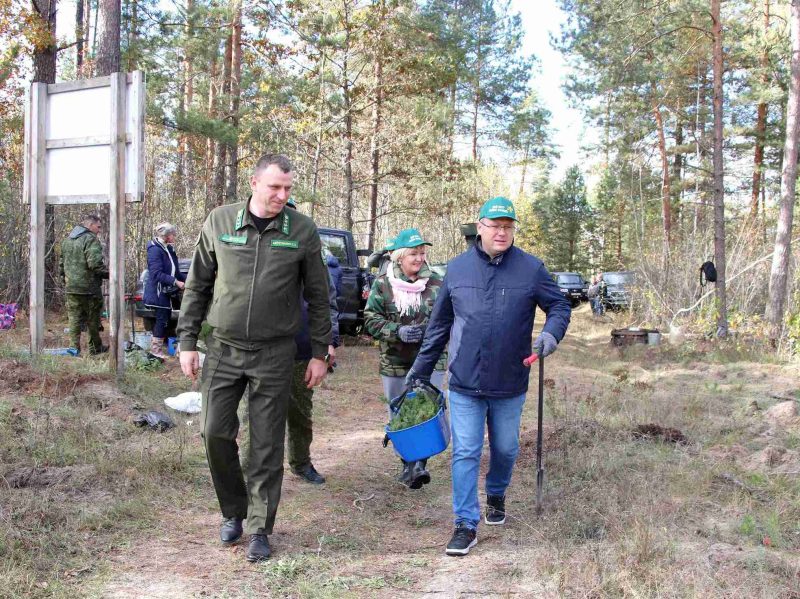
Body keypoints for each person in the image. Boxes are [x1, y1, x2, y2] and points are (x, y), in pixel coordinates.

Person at [177, 153, 332, 563]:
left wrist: (319, 352)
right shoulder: (220, 222)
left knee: (265, 443)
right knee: (213, 431)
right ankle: (233, 511)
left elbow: (319, 297)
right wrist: (187, 340)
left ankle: (261, 527)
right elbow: (197, 286)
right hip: (223, 349)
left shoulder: (300, 230)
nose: (282, 195)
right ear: (254, 183)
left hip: (274, 353)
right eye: (275, 187)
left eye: (288, 189)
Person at [406, 197, 571, 556]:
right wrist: (420, 370)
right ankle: (465, 523)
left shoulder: (531, 268)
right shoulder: (458, 269)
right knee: (465, 450)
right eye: (495, 225)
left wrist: (551, 334)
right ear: (478, 227)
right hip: (464, 380)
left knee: (506, 448)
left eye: (508, 226)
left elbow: (559, 305)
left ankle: (496, 491)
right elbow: (439, 326)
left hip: (511, 380)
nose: (501, 232)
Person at [364, 228, 447, 489]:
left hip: (431, 359)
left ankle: (421, 464)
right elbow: (370, 318)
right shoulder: (383, 283)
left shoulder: (436, 282)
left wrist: (428, 333)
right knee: (400, 411)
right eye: (414, 253)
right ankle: (407, 463)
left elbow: (447, 317)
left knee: (427, 409)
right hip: (394, 361)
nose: (419, 258)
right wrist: (396, 330)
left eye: (422, 253)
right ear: (400, 256)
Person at [286, 200, 341, 485]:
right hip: (261, 349)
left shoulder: (313, 256)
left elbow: (328, 302)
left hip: (303, 348)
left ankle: (301, 462)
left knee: (300, 412)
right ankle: (255, 470)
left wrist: (329, 343)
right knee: (256, 417)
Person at [59, 214, 109, 356]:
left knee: (74, 318)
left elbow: (61, 266)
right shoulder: (90, 239)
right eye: (98, 227)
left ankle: (74, 349)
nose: (99, 230)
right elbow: (95, 264)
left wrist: (66, 281)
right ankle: (95, 347)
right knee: (92, 318)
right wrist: (110, 274)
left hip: (71, 288)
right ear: (90, 225)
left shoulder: (67, 240)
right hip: (89, 288)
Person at [144, 222, 186, 358]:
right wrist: (175, 282)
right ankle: (155, 351)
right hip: (157, 291)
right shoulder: (154, 249)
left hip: (166, 291)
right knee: (162, 319)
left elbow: (176, 272)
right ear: (167, 235)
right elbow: (156, 273)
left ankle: (158, 350)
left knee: (165, 319)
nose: (174, 237)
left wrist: (188, 280)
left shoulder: (169, 249)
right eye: (173, 234)